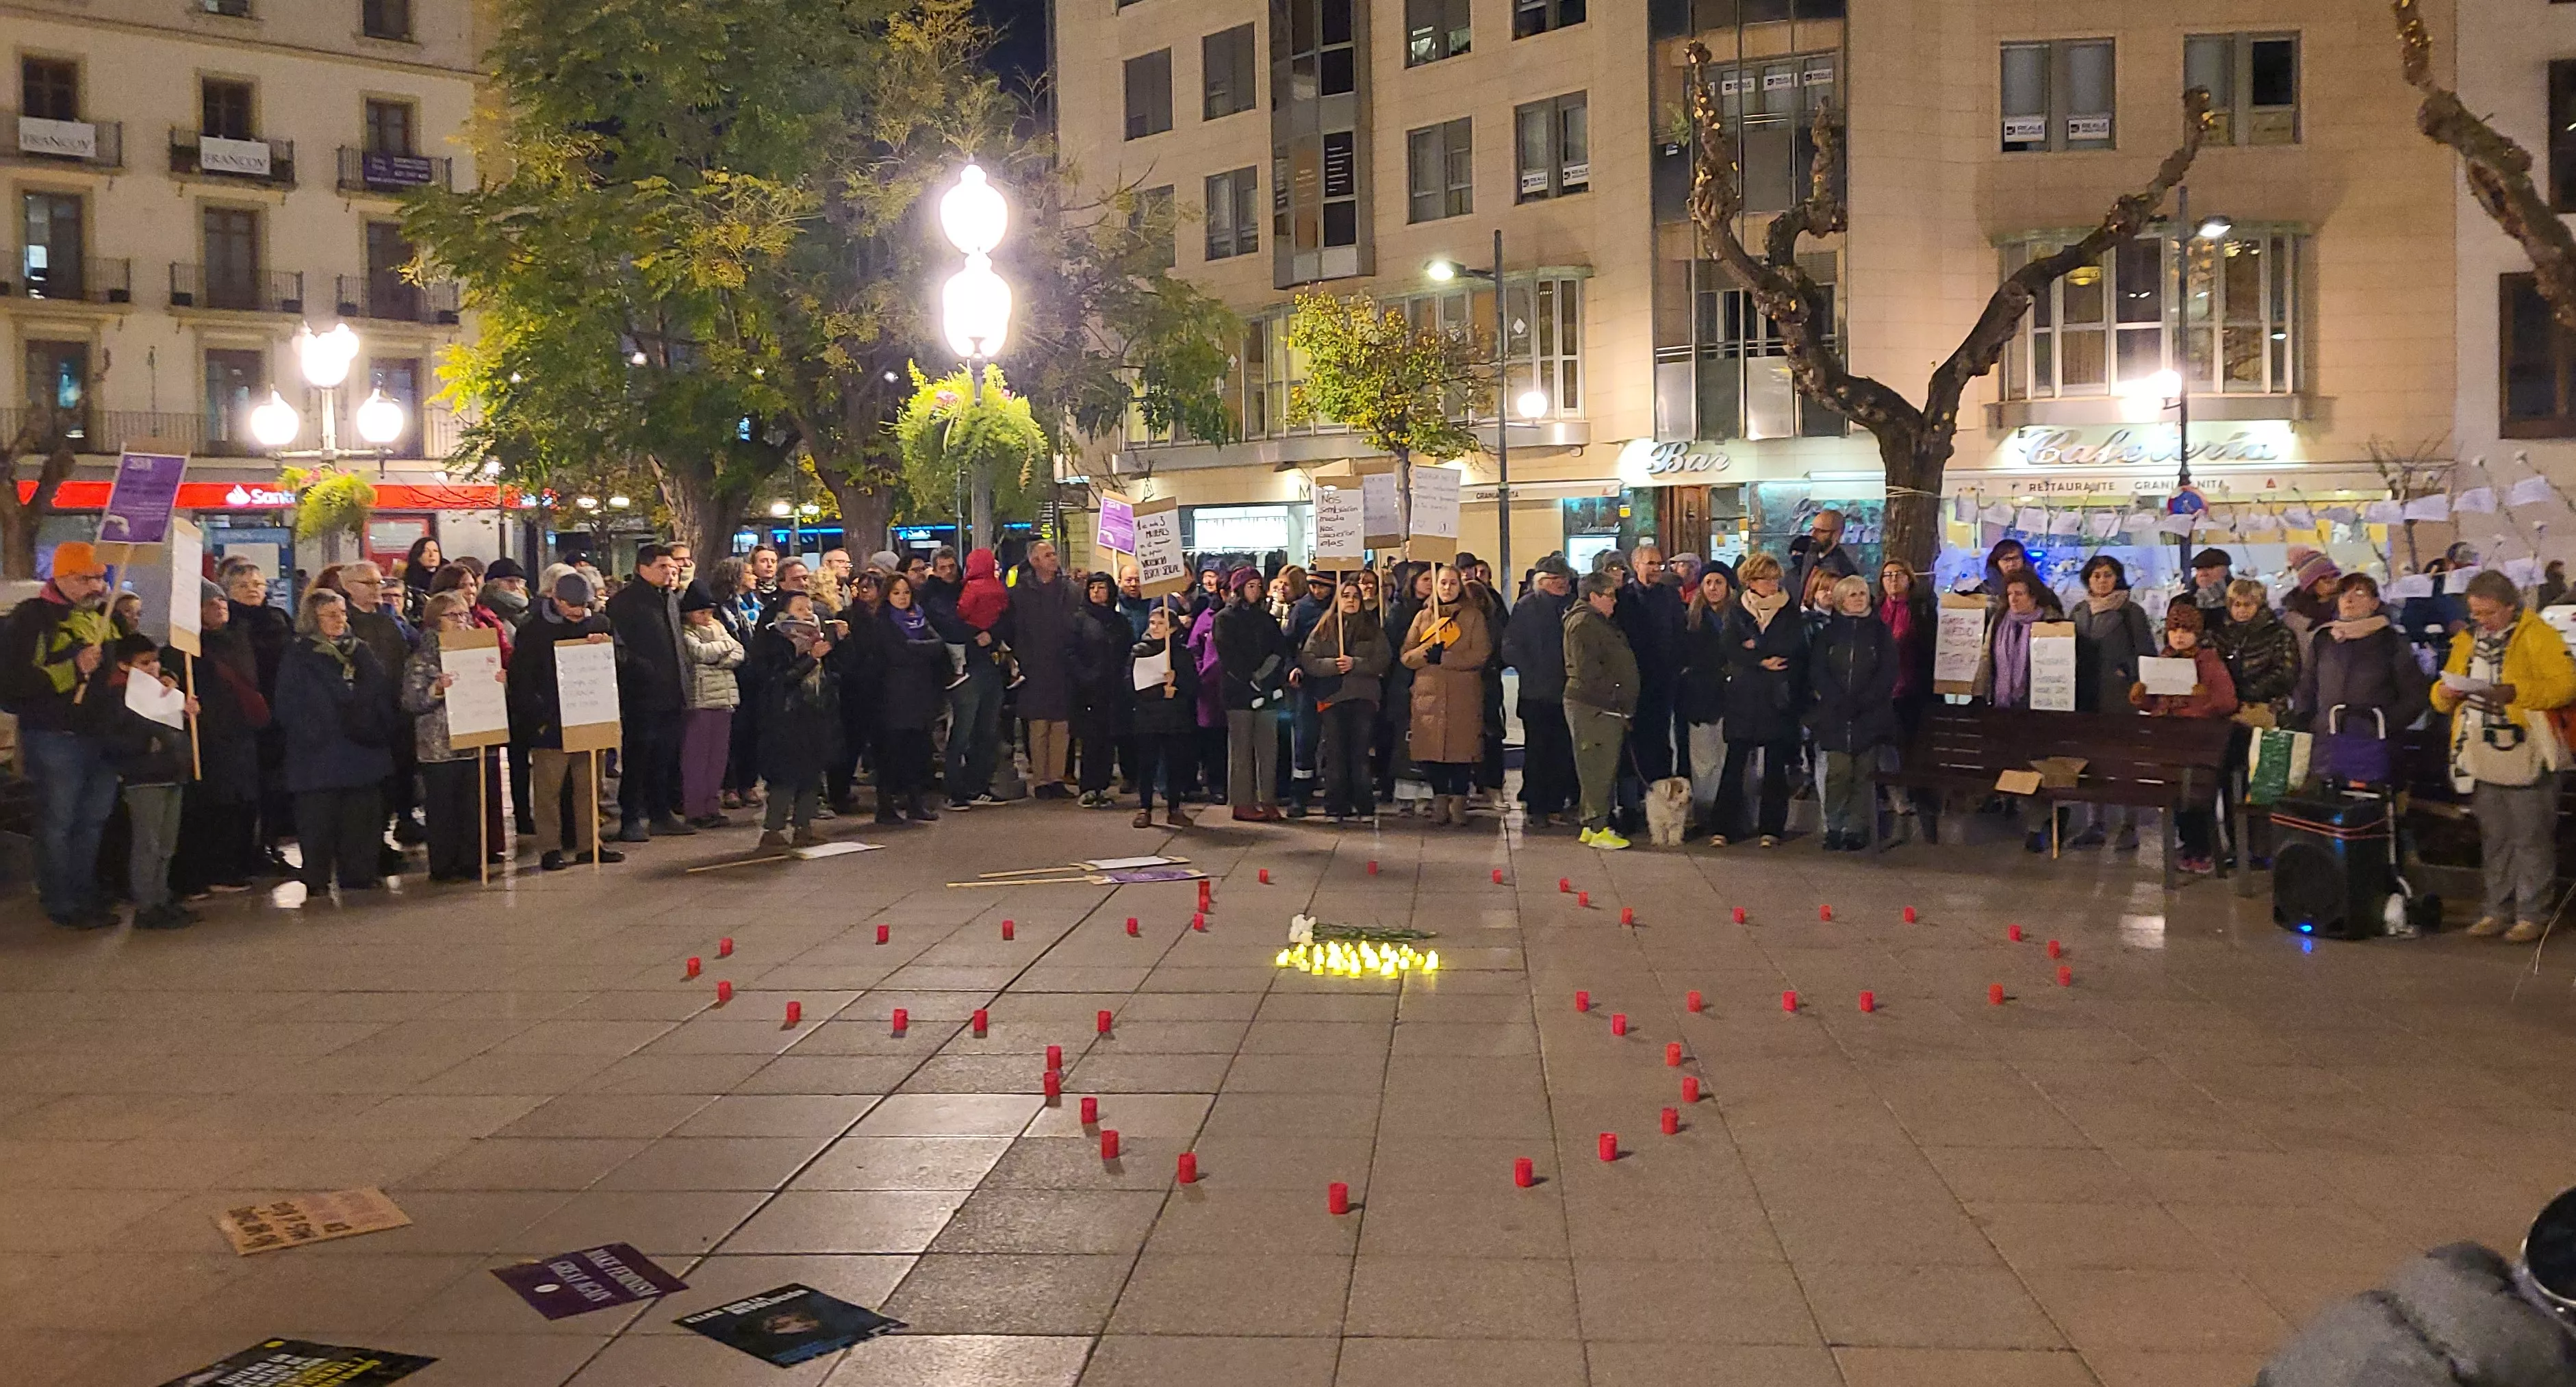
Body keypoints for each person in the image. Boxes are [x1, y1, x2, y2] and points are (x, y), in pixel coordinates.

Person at [2434, 570, 2576, 942]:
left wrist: (2514, 692)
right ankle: (2496, 909)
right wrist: (2445, 695)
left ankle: (2532, 914)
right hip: (2481, 747)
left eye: (2489, 613)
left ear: (2511, 606)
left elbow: (2565, 685)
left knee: (2531, 837)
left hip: (2528, 748)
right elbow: (2441, 688)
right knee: (2494, 836)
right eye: (2476, 613)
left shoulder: (2539, 635)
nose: (2481, 621)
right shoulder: (2467, 639)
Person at [0, 542, 120, 926]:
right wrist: (74, 668)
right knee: (59, 821)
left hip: (101, 734)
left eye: (101, 578)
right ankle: (61, 901)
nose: (98, 587)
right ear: (64, 577)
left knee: (94, 819)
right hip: (55, 736)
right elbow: (14, 683)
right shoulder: (32, 618)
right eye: (88, 578)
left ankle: (85, 892)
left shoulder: (105, 616)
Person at [275, 588, 397, 897]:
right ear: (313, 619)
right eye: (331, 614)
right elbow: (289, 704)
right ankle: (317, 876)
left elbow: (380, 688)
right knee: (319, 820)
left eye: (342, 613)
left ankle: (359, 872)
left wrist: (371, 718)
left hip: (362, 747)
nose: (340, 620)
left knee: (362, 818)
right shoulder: (299, 655)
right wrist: (318, 727)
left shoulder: (360, 650)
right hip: (319, 753)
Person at [507, 570, 624, 871]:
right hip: (551, 722)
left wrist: (607, 646)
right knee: (549, 790)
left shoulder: (599, 623)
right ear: (555, 600)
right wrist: (538, 718)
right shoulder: (534, 630)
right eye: (571, 606)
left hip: (589, 716)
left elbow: (621, 663)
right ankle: (550, 848)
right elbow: (521, 680)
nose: (577, 612)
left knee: (590, 786)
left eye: (582, 606)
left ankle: (589, 844)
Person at [165, 581, 267, 899]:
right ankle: (204, 870)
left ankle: (235, 863)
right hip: (208, 737)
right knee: (211, 804)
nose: (219, 606)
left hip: (240, 733)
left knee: (240, 802)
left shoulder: (237, 640)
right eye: (211, 603)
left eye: (222, 601)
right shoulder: (182, 650)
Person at [94, 633, 200, 927]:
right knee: (148, 842)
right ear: (125, 665)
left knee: (166, 843)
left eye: (155, 661)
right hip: (144, 776)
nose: (153, 668)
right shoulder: (117, 695)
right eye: (145, 663)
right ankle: (146, 904)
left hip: (170, 771)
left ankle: (161, 896)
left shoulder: (158, 689)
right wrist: (147, 743)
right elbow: (113, 738)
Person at [2127, 602, 2240, 874]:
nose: (2179, 636)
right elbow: (2153, 703)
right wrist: (2141, 695)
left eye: (2187, 630)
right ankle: (2188, 844)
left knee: (2198, 796)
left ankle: (2202, 848)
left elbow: (2227, 702)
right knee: (2178, 796)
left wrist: (2203, 700)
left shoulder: (2209, 662)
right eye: (2174, 629)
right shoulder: (2164, 661)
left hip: (2200, 742)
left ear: (2197, 634)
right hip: (2170, 740)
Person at [401, 592, 504, 882]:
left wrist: (498, 683)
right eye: (453, 616)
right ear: (436, 622)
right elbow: (410, 701)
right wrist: (436, 689)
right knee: (443, 807)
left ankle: (472, 860)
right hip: (439, 746)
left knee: (472, 806)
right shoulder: (423, 657)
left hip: (473, 739)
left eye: (464, 615)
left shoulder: (478, 649)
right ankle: (444, 865)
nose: (461, 620)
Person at [2291, 572, 2432, 786]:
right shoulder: (2324, 639)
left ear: (2374, 603)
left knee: (2366, 807)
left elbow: (2415, 693)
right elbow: (2307, 684)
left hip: (2373, 744)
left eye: (2359, 593)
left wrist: (2385, 724)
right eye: (2343, 594)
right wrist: (2307, 720)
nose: (2349, 599)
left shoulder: (2391, 641)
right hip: (2326, 742)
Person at [324, 562, 419, 865]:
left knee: (391, 784)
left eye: (379, 582)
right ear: (349, 587)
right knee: (366, 788)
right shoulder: (344, 623)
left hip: (394, 713)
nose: (378, 589)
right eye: (370, 583)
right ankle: (362, 847)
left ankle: (381, 838)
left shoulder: (388, 622)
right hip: (362, 717)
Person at [1717, 552, 1807, 848]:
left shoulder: (1789, 611)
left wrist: (1755, 647)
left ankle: (1772, 827)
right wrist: (1758, 659)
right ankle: (1725, 826)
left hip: (1776, 696)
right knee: (1735, 763)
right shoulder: (1737, 610)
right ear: (1750, 582)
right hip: (1743, 696)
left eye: (1775, 578)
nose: (1772, 583)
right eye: (1765, 579)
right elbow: (1730, 647)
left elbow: (1790, 645)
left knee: (1775, 764)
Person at [607, 542, 693, 840]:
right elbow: (618, 647)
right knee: (638, 755)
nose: (670, 573)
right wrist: (642, 668)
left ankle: (661, 812)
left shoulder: (668, 598)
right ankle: (631, 816)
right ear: (643, 568)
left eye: (673, 568)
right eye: (662, 567)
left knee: (665, 756)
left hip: (672, 690)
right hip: (641, 693)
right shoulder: (625, 602)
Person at [2069, 555, 2156, 850]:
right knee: (2091, 760)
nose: (2102, 581)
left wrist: (2129, 673)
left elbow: (2146, 652)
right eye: (2096, 575)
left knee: (2123, 761)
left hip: (2119, 697)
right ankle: (2096, 823)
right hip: (2086, 695)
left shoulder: (2131, 612)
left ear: (2117, 577)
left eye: (2107, 575)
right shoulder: (2079, 611)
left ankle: (2129, 825)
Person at [1807, 575, 1898, 852]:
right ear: (1840, 600)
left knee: (1863, 774)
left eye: (1862, 593)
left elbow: (1887, 673)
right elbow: (1818, 670)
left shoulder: (1880, 633)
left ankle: (1855, 829)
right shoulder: (1829, 633)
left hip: (1868, 715)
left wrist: (1864, 700)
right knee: (1838, 773)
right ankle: (1834, 826)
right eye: (1852, 595)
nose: (1859, 598)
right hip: (1835, 716)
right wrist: (1836, 699)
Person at [1398, 565, 1493, 828]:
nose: (1447, 588)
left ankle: (1459, 801)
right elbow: (1407, 654)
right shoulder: (1423, 616)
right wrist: (1425, 656)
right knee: (1432, 752)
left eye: (1453, 583)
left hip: (1463, 694)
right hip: (1429, 694)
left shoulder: (1473, 616)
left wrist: (1448, 658)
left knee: (1460, 753)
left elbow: (1481, 654)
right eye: (1443, 583)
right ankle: (1440, 799)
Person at [747, 594, 841, 848]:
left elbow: (835, 673)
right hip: (786, 716)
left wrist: (841, 641)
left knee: (811, 772)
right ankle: (773, 829)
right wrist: (812, 658)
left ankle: (804, 825)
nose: (808, 612)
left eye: (809, 607)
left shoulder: (819, 637)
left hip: (815, 712)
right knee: (785, 775)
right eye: (800, 608)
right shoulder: (775, 640)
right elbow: (779, 680)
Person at [222, 558, 295, 870]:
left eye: (258, 584)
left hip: (280, 707)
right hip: (245, 713)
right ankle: (248, 850)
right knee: (250, 786)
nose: (252, 590)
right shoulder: (229, 623)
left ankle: (270, 843)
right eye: (243, 585)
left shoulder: (278, 617)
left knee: (276, 785)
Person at [1301, 580, 1392, 824]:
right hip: (1333, 698)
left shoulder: (1372, 629)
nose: (1351, 600)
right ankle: (1336, 804)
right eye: (1346, 596)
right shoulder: (1325, 628)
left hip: (1362, 696)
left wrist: (1357, 664)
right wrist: (1333, 666)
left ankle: (1363, 803)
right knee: (1335, 753)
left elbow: (1382, 659)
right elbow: (1309, 659)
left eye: (1355, 596)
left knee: (1360, 753)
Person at [1563, 569, 1638, 850]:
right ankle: (1598, 827)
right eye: (1609, 595)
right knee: (1598, 767)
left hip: (1601, 706)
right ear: (1593, 596)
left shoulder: (1596, 621)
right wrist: (1616, 694)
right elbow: (1587, 670)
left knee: (1598, 765)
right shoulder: (1584, 623)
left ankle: (1590, 823)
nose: (1614, 601)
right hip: (1595, 706)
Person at [1502, 554, 1579, 826]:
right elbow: (1510, 647)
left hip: (1567, 691)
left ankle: (1557, 803)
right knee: (1537, 752)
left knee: (1562, 751)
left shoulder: (1573, 605)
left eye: (1565, 579)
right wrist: (1532, 669)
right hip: (1536, 694)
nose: (1563, 584)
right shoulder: (1527, 607)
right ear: (1543, 581)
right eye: (1557, 579)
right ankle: (1537, 805)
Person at [870, 574, 949, 825]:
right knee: (892, 754)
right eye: (896, 593)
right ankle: (886, 807)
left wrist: (915, 647)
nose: (902, 597)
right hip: (892, 697)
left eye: (906, 592)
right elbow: (896, 654)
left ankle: (916, 803)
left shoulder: (920, 617)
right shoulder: (882, 622)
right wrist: (919, 649)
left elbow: (938, 645)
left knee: (918, 753)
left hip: (920, 695)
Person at [1875, 559, 1939, 843]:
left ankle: (1921, 801)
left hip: (1913, 688)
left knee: (1914, 745)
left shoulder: (1920, 608)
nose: (1892, 580)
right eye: (1887, 575)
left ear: (1909, 579)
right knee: (1887, 746)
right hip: (1881, 691)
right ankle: (1894, 795)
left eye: (1898, 574)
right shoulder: (1877, 610)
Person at [1216, 567, 1288, 820]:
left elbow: (1280, 648)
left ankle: (1268, 799)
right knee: (1241, 749)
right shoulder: (1225, 618)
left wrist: (1267, 675)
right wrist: (1249, 678)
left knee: (1268, 748)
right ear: (1238, 589)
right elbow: (1228, 656)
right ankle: (1242, 802)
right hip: (1238, 693)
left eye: (1258, 586)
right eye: (1250, 586)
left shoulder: (1266, 619)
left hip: (1267, 691)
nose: (1255, 591)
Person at [945, 548, 1012, 809]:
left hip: (969, 664)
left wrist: (976, 632)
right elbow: (1006, 615)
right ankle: (977, 784)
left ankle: (958, 791)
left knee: (963, 731)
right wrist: (992, 634)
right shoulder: (999, 588)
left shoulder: (970, 589)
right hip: (990, 661)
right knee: (986, 729)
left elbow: (960, 615)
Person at [1012, 541, 1078, 800]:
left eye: (1054, 554)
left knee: (1061, 726)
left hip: (1063, 664)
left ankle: (1056, 778)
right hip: (1035, 665)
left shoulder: (1069, 590)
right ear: (1034, 561)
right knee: (1039, 725)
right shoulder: (1021, 592)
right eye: (1047, 555)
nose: (1053, 559)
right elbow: (1016, 628)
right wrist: (1021, 662)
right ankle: (1040, 780)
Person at [678, 581, 745, 829]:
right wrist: (725, 650)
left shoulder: (718, 627)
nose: (706, 617)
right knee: (697, 758)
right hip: (701, 700)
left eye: (709, 612)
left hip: (724, 699)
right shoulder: (686, 633)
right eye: (700, 613)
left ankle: (712, 805)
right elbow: (700, 653)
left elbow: (740, 651)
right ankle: (695, 808)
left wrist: (720, 655)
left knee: (718, 758)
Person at [1677, 561, 1736, 833]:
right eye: (1709, 582)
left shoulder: (1737, 617)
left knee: (1725, 757)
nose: (1713, 588)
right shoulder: (1692, 618)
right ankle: (1703, 811)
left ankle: (1725, 813)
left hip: (1728, 696)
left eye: (1719, 582)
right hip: (1699, 696)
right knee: (1702, 761)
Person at [1068, 572, 1134, 809]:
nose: (1097, 592)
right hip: (1089, 690)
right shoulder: (1080, 620)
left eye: (1102, 588)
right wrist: (1085, 676)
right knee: (1091, 740)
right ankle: (1088, 786)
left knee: (1108, 739)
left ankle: (1102, 786)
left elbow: (1127, 651)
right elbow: (1071, 652)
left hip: (1114, 689)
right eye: (1093, 587)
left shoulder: (1119, 622)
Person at [1131, 605, 1201, 828]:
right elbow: (1130, 684)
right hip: (1147, 715)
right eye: (1153, 623)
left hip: (1175, 717)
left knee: (1174, 764)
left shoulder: (1181, 653)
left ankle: (1174, 807)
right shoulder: (1140, 650)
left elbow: (1193, 685)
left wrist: (1176, 683)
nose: (1155, 627)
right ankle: (1145, 807)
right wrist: (1158, 690)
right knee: (1146, 764)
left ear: (1172, 629)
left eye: (1161, 623)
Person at [1283, 568, 1336, 816]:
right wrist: (1293, 667)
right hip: (1308, 683)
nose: (1318, 591)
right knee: (1305, 740)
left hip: (1337, 682)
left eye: (1323, 587)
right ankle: (1300, 796)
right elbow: (1289, 643)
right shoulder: (1302, 609)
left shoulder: (1340, 607)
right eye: (1314, 586)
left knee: (1336, 743)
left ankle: (1336, 797)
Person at [2215, 577, 2301, 725]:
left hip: (2268, 708)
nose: (2242, 610)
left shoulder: (2279, 633)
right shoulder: (2220, 635)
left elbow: (2287, 673)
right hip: (2228, 709)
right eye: (2237, 604)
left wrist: (2251, 691)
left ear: (2259, 605)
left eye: (2248, 605)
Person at [1786, 509, 1859, 615]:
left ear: (1837, 534)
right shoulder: (1810, 554)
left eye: (1822, 531)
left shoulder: (1842, 567)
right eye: (1813, 528)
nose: (1814, 534)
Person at [2282, 548, 2341, 646]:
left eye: (2335, 575)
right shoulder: (2295, 618)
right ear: (2310, 584)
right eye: (2324, 578)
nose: (2333, 581)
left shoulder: (2348, 606)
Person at [2180, 547, 2235, 626]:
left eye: (2210, 567)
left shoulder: (2239, 601)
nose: (2203, 573)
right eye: (2199, 568)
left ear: (2226, 571)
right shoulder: (2182, 603)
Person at [400, 535, 442, 621]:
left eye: (435, 551)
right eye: (426, 551)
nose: (432, 555)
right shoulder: (409, 580)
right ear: (417, 555)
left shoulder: (446, 578)